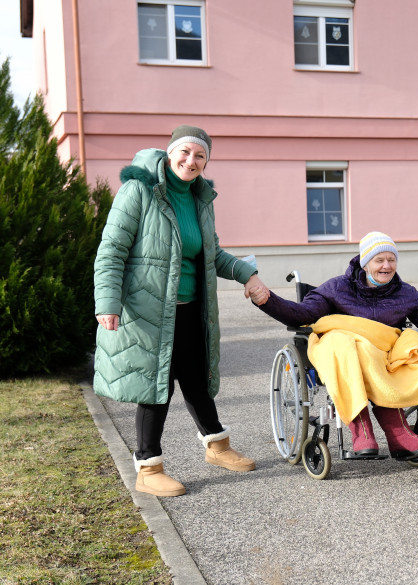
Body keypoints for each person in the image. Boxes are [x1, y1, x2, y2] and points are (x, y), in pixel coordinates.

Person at [94, 125, 271, 497]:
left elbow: (213, 254)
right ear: (170, 152)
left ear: (206, 162)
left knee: (195, 378)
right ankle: (148, 466)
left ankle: (217, 446)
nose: (191, 161)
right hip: (147, 311)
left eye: (200, 155)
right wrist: (107, 303)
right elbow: (111, 250)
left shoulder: (199, 198)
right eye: (186, 152)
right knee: (154, 386)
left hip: (191, 308)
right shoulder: (140, 190)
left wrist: (247, 275)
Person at [250, 231, 418, 460]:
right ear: (365, 263)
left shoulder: (406, 294)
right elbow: (301, 315)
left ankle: (399, 435)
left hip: (384, 359)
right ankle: (361, 429)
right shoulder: (337, 288)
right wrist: (266, 300)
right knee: (345, 342)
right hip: (344, 355)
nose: (386, 265)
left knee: (399, 351)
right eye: (379, 260)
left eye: (391, 260)